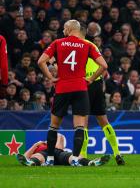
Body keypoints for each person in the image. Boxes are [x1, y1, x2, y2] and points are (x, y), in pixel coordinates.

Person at [38, 20, 107, 166]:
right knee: (80, 126)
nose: (63, 31)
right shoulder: (87, 45)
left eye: (64, 28)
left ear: (69, 29)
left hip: (62, 87)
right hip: (80, 88)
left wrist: (51, 78)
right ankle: (75, 159)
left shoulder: (58, 43)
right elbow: (104, 65)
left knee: (54, 126)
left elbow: (41, 61)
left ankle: (49, 159)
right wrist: (91, 79)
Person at [78, 26, 125, 165]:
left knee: (83, 122)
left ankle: (84, 155)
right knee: (103, 121)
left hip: (84, 83)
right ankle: (117, 153)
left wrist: (88, 79)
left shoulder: (76, 46)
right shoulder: (91, 45)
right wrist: (94, 78)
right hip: (97, 84)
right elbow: (103, 66)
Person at [16, 133, 110, 166]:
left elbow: (59, 146)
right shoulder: (39, 146)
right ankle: (31, 163)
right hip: (44, 154)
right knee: (37, 156)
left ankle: (91, 163)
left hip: (58, 152)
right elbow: (25, 156)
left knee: (75, 157)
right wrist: (35, 145)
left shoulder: (57, 139)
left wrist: (53, 142)